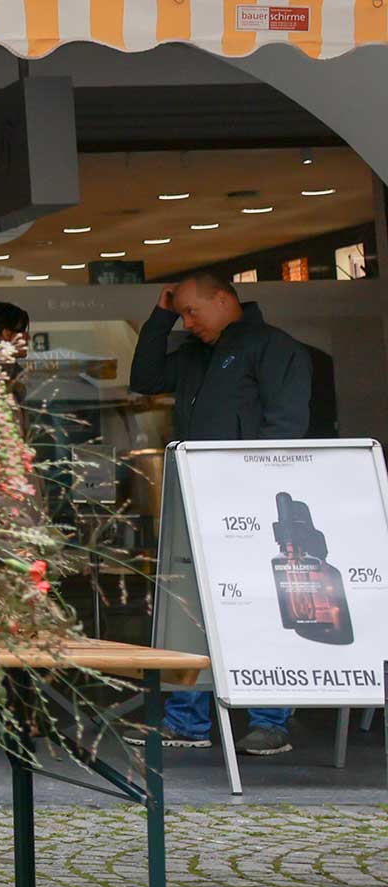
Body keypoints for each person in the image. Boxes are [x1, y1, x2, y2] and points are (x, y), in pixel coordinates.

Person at [134, 276, 311, 754]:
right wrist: (161, 317)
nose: (189, 323)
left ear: (223, 299)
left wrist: (256, 487)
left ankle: (270, 719)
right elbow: (145, 380)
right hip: (199, 497)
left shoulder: (273, 346)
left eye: (193, 312)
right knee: (192, 607)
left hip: (255, 501)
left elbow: (286, 427)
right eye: (182, 314)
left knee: (262, 604)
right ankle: (186, 720)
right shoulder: (195, 354)